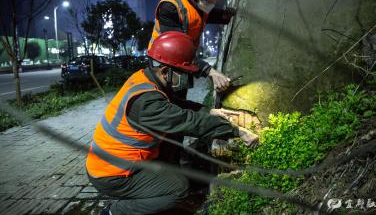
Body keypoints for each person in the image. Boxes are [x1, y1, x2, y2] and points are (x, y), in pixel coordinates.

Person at [86, 31, 258, 215]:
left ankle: (150, 189)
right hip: (112, 174)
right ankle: (114, 211)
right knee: (178, 189)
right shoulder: (146, 103)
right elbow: (189, 122)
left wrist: (209, 111)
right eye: (184, 74)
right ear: (166, 71)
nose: (187, 81)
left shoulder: (145, 77)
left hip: (119, 162)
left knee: (174, 155)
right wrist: (237, 131)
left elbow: (177, 105)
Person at [148, 0, 236, 93]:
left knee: (183, 97)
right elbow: (177, 52)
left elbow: (203, 13)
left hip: (184, 60)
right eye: (208, 0)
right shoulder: (170, 7)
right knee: (171, 101)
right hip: (164, 63)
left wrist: (224, 16)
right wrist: (210, 71)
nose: (211, 4)